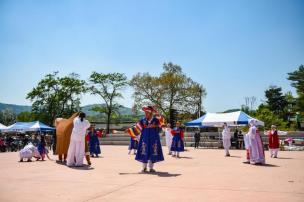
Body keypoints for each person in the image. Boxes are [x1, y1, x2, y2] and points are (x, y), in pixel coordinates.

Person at [127, 106, 164, 173]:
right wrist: (129, 130)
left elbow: (162, 124)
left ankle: (151, 168)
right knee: (144, 151)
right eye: (145, 112)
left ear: (150, 113)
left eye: (147, 112)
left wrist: (155, 125)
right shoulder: (142, 120)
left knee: (153, 151)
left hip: (154, 138)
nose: (145, 113)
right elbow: (136, 128)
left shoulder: (155, 120)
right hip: (145, 138)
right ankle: (144, 168)